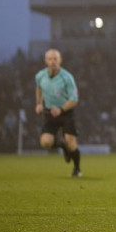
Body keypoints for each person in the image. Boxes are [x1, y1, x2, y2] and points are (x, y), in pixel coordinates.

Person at [35, 49, 82, 177]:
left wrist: (61, 109)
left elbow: (74, 99)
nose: (53, 61)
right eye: (50, 59)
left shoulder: (67, 77)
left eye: (55, 59)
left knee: (71, 142)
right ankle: (63, 146)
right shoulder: (40, 76)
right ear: (45, 61)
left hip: (66, 112)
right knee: (45, 142)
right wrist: (39, 104)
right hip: (50, 112)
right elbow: (39, 89)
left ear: (60, 60)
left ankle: (77, 169)